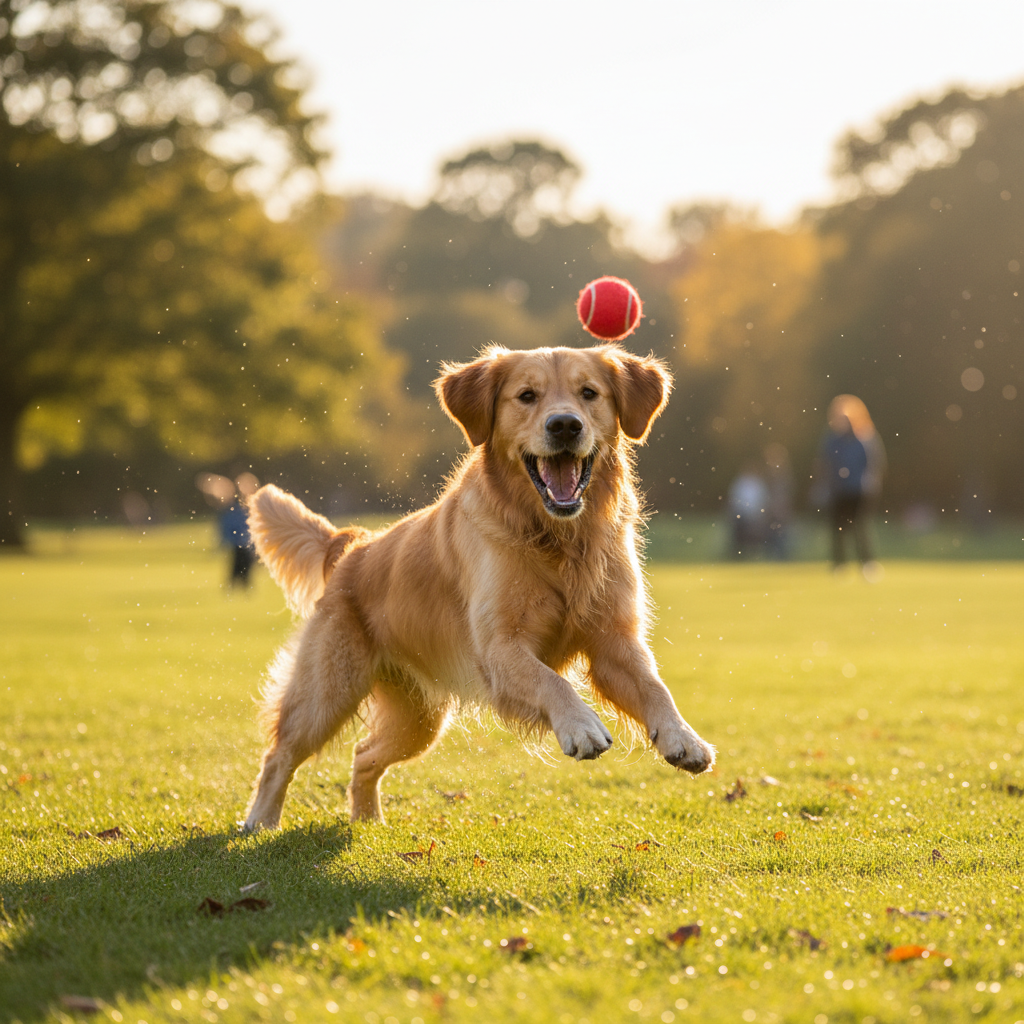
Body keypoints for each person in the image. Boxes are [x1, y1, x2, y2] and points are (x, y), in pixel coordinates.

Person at [816, 395, 886, 575]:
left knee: (860, 528)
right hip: (838, 490)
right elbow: (825, 464)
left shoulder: (865, 438)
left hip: (859, 491)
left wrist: (870, 483)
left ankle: (867, 564)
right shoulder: (831, 440)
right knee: (838, 530)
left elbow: (874, 464)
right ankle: (839, 564)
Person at [220, 472, 259, 587]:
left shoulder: (253, 509)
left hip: (246, 544)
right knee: (236, 566)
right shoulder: (234, 509)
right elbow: (229, 526)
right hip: (237, 544)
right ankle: (233, 585)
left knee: (246, 567)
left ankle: (244, 586)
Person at [727, 461, 770, 558]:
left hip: (754, 517)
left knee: (754, 535)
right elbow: (733, 501)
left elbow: (762, 501)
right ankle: (739, 554)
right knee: (739, 535)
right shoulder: (739, 483)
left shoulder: (757, 484)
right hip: (741, 516)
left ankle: (754, 553)